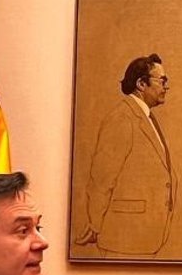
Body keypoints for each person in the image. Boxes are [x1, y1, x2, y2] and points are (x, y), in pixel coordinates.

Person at [74, 53, 176, 256]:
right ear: (141, 84)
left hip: (143, 237)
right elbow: (101, 179)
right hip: (123, 238)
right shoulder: (122, 118)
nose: (166, 87)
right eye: (162, 80)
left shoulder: (145, 117)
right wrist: (95, 224)